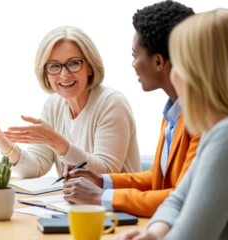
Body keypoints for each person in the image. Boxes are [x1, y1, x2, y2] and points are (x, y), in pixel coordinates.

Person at [62, 0, 201, 217]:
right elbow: (159, 177)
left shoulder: (203, 119)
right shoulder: (170, 113)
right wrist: (100, 181)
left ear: (158, 62)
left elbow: (183, 198)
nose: (132, 64)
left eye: (134, 55)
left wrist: (101, 197)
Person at [116, 7, 228, 240]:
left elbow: (190, 235)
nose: (172, 74)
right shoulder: (218, 129)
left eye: (179, 64)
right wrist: (155, 233)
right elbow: (178, 199)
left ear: (202, 72)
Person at [0, 25, 141, 178]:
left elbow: (106, 173)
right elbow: (34, 169)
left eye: (74, 63)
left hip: (117, 210)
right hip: (74, 206)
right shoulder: (52, 105)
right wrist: (0, 141)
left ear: (90, 67)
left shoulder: (112, 102)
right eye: (54, 66)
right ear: (45, 72)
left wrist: (56, 142)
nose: (64, 74)